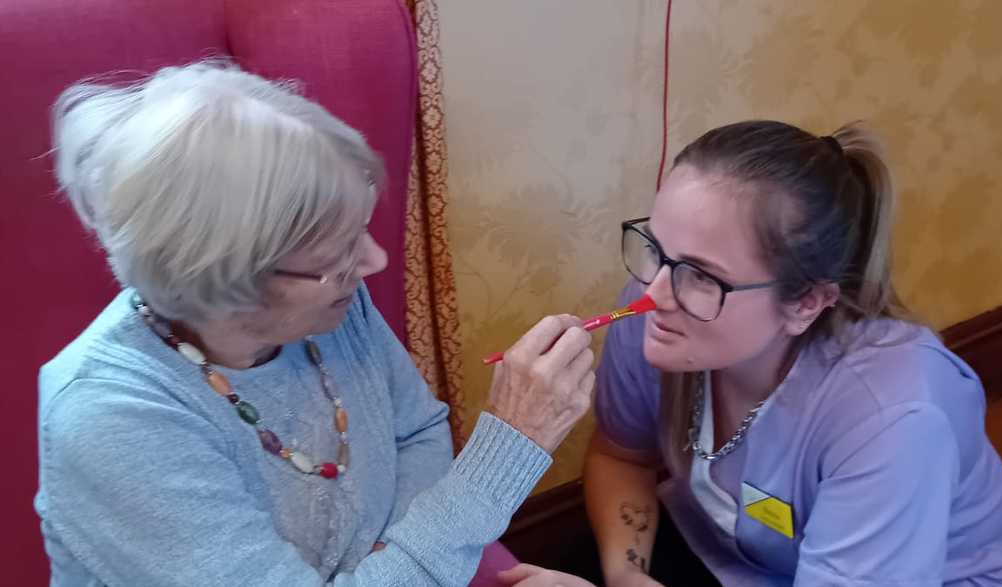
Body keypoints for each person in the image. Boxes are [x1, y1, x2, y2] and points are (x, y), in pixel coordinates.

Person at [35, 61, 597, 587]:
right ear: (226, 280)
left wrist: (388, 565)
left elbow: (417, 432)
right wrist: (511, 447)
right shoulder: (113, 422)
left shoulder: (332, 309)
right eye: (338, 255)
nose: (375, 261)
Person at [500, 120, 1002, 587]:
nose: (653, 293)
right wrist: (626, 575)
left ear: (806, 303)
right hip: (740, 550)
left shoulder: (895, 417)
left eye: (702, 276)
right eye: (655, 250)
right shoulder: (657, 314)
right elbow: (622, 455)